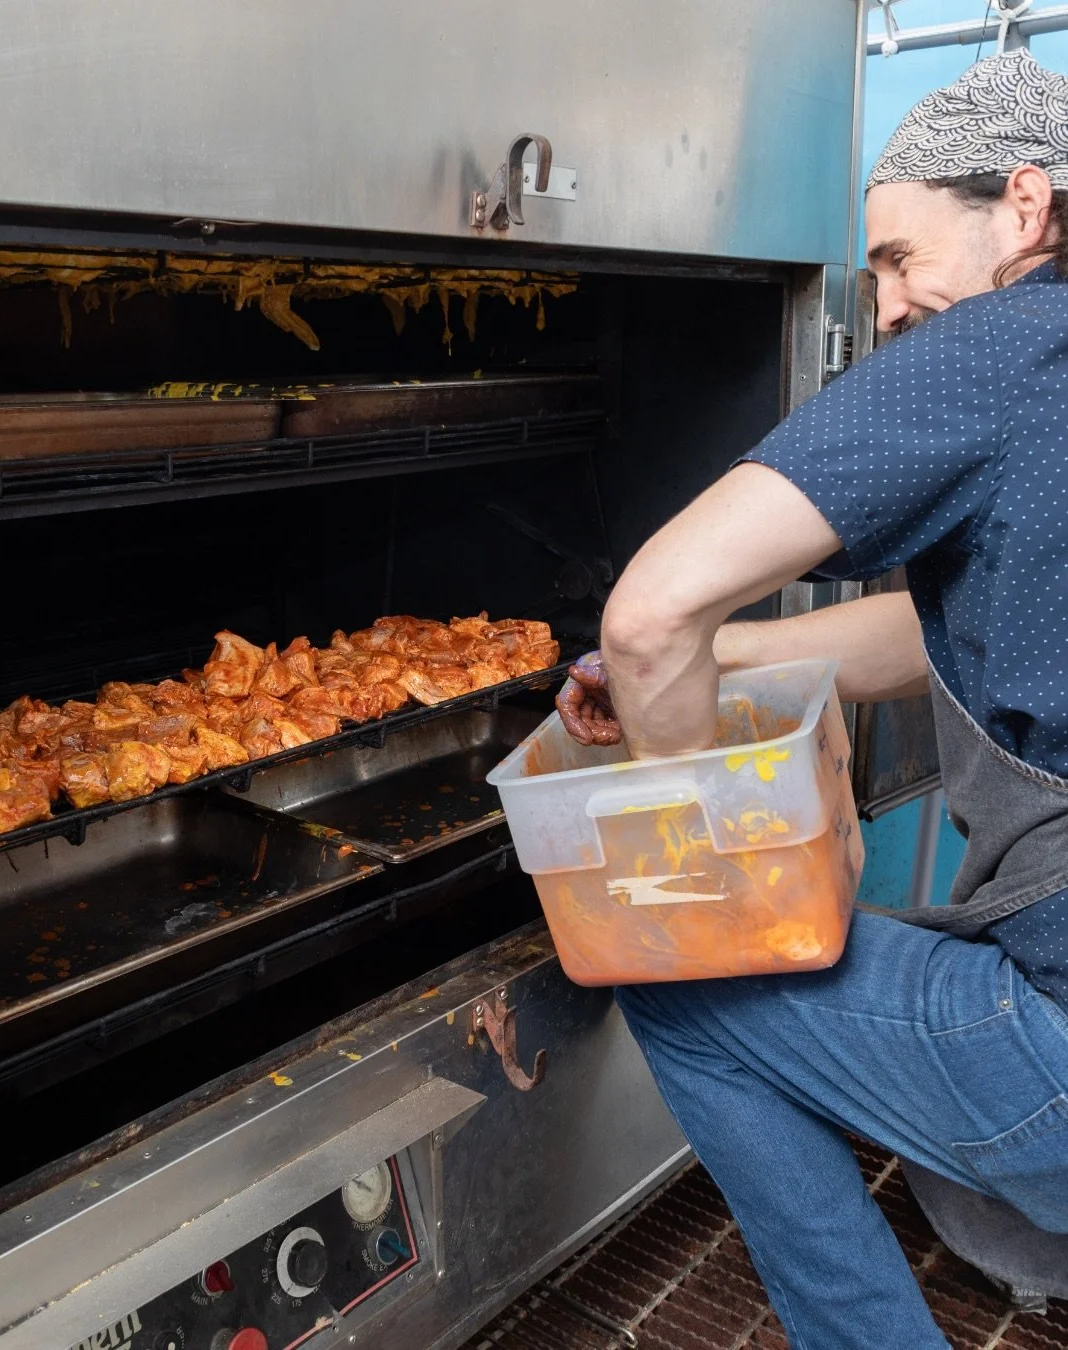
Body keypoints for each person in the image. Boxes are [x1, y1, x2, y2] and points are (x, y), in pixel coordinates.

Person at [557, 50, 1068, 1349]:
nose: (886, 305)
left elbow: (647, 605)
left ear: (1024, 207)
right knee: (908, 934)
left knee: (680, 982)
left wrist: (705, 870)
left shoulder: (998, 349)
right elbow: (933, 623)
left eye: (898, 258)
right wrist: (707, 670)